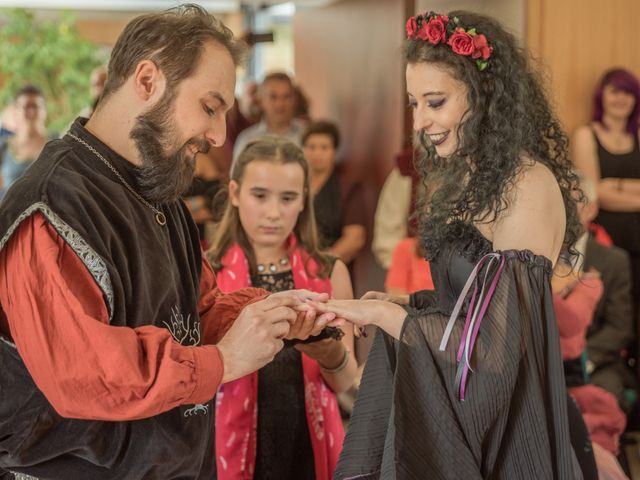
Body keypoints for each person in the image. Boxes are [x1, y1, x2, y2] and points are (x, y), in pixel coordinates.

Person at [0, 6, 332, 479]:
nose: (219, 136)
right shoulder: (52, 204)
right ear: (148, 80)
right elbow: (87, 373)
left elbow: (195, 313)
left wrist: (274, 313)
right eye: (210, 107)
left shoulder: (160, 188)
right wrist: (224, 361)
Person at [311, 11, 591, 478]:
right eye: (413, 103)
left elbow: (495, 355)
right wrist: (406, 304)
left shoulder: (528, 186)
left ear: (483, 98)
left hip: (510, 433)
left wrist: (387, 317)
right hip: (465, 415)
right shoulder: (460, 177)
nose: (420, 121)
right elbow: (466, 307)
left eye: (435, 102)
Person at [207, 137, 356, 479]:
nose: (273, 213)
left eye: (287, 198)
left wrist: (324, 347)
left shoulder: (328, 271)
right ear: (234, 193)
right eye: (259, 196)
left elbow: (346, 380)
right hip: (226, 442)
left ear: (304, 199)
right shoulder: (207, 273)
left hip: (306, 439)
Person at [570, 68, 640, 334]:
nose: (621, 98)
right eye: (615, 91)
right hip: (605, 237)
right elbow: (593, 192)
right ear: (602, 96)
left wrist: (616, 185)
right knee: (611, 310)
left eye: (628, 93)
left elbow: (605, 187)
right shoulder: (586, 135)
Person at [302, 120, 366, 264]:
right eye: (311, 147)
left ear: (334, 151)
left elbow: (355, 238)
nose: (317, 153)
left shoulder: (347, 188)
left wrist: (321, 263)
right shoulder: (294, 185)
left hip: (328, 268)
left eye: (324, 148)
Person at [231, 72, 306, 169]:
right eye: (273, 97)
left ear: (294, 99)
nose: (280, 104)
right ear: (261, 100)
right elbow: (236, 179)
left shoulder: (308, 136)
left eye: (286, 97)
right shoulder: (247, 140)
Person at [0, 85, 49, 199]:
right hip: (9, 215)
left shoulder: (59, 142)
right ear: (16, 111)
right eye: (26, 106)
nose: (32, 111)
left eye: (36, 106)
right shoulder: (4, 147)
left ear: (44, 110)